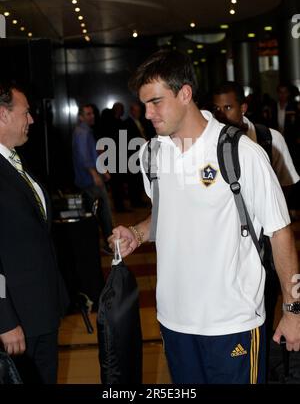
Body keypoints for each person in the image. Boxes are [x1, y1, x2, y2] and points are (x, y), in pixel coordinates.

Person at [108, 49, 300, 384]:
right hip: (174, 321)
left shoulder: (241, 152)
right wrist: (137, 234)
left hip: (232, 322)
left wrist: (292, 310)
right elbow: (165, 215)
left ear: (184, 93)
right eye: (144, 104)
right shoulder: (151, 154)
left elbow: (279, 231)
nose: (147, 113)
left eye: (156, 102)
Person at [212, 81, 300, 375]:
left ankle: (262, 367)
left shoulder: (268, 138)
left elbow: (286, 187)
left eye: (228, 107)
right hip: (229, 249)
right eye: (217, 108)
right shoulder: (208, 143)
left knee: (264, 310)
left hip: (267, 248)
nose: (222, 114)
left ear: (243, 108)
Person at [0, 84, 68, 383]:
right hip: (16, 319)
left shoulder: (15, 162)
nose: (31, 120)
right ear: (3, 115)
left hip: (40, 311)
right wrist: (4, 320)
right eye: (25, 112)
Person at [72, 104, 113, 248]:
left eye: (92, 114)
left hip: (89, 179)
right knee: (103, 213)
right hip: (90, 180)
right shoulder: (82, 133)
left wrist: (103, 171)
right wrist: (95, 174)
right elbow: (85, 157)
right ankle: (110, 244)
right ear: (81, 117)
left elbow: (92, 154)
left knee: (98, 213)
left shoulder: (84, 131)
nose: (92, 116)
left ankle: (105, 243)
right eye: (88, 114)